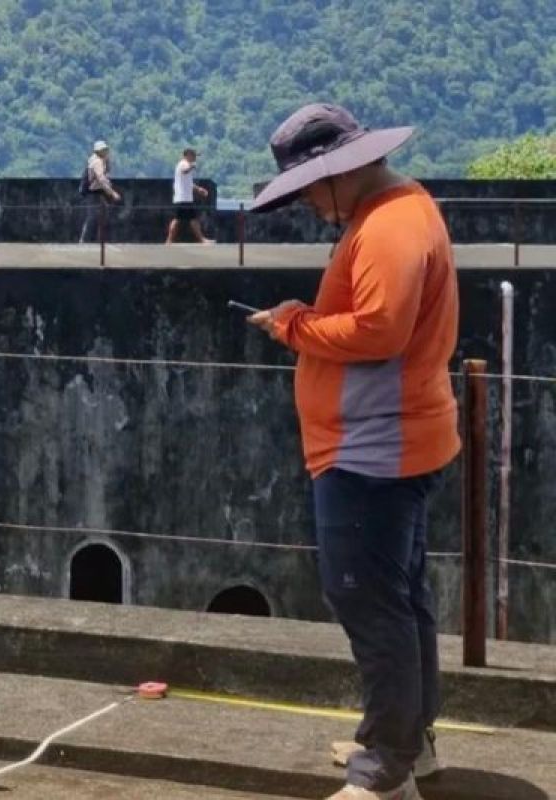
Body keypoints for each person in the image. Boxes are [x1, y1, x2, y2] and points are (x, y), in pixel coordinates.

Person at [247, 103, 459, 800]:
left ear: (342, 171)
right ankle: (406, 737)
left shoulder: (390, 228)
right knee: (401, 597)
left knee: (365, 598)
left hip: (374, 446)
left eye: (311, 186)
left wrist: (294, 326)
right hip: (395, 434)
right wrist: (300, 322)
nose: (308, 201)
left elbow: (378, 332)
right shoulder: (397, 211)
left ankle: (385, 770)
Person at [166, 148, 213, 244]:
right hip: (182, 198)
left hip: (185, 198)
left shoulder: (186, 164)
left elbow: (189, 183)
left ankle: (170, 240)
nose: (195, 158)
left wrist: (198, 189)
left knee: (187, 219)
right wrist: (191, 166)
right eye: (194, 155)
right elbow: (184, 171)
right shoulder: (183, 164)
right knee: (181, 219)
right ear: (187, 155)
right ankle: (170, 240)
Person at [78, 140, 121, 243]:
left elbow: (107, 171)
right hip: (94, 193)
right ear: (99, 151)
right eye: (104, 150)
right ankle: (85, 240)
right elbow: (101, 179)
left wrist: (107, 160)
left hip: (97, 192)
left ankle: (97, 240)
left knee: (101, 216)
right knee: (93, 217)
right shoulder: (97, 161)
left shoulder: (98, 160)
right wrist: (112, 193)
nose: (106, 152)